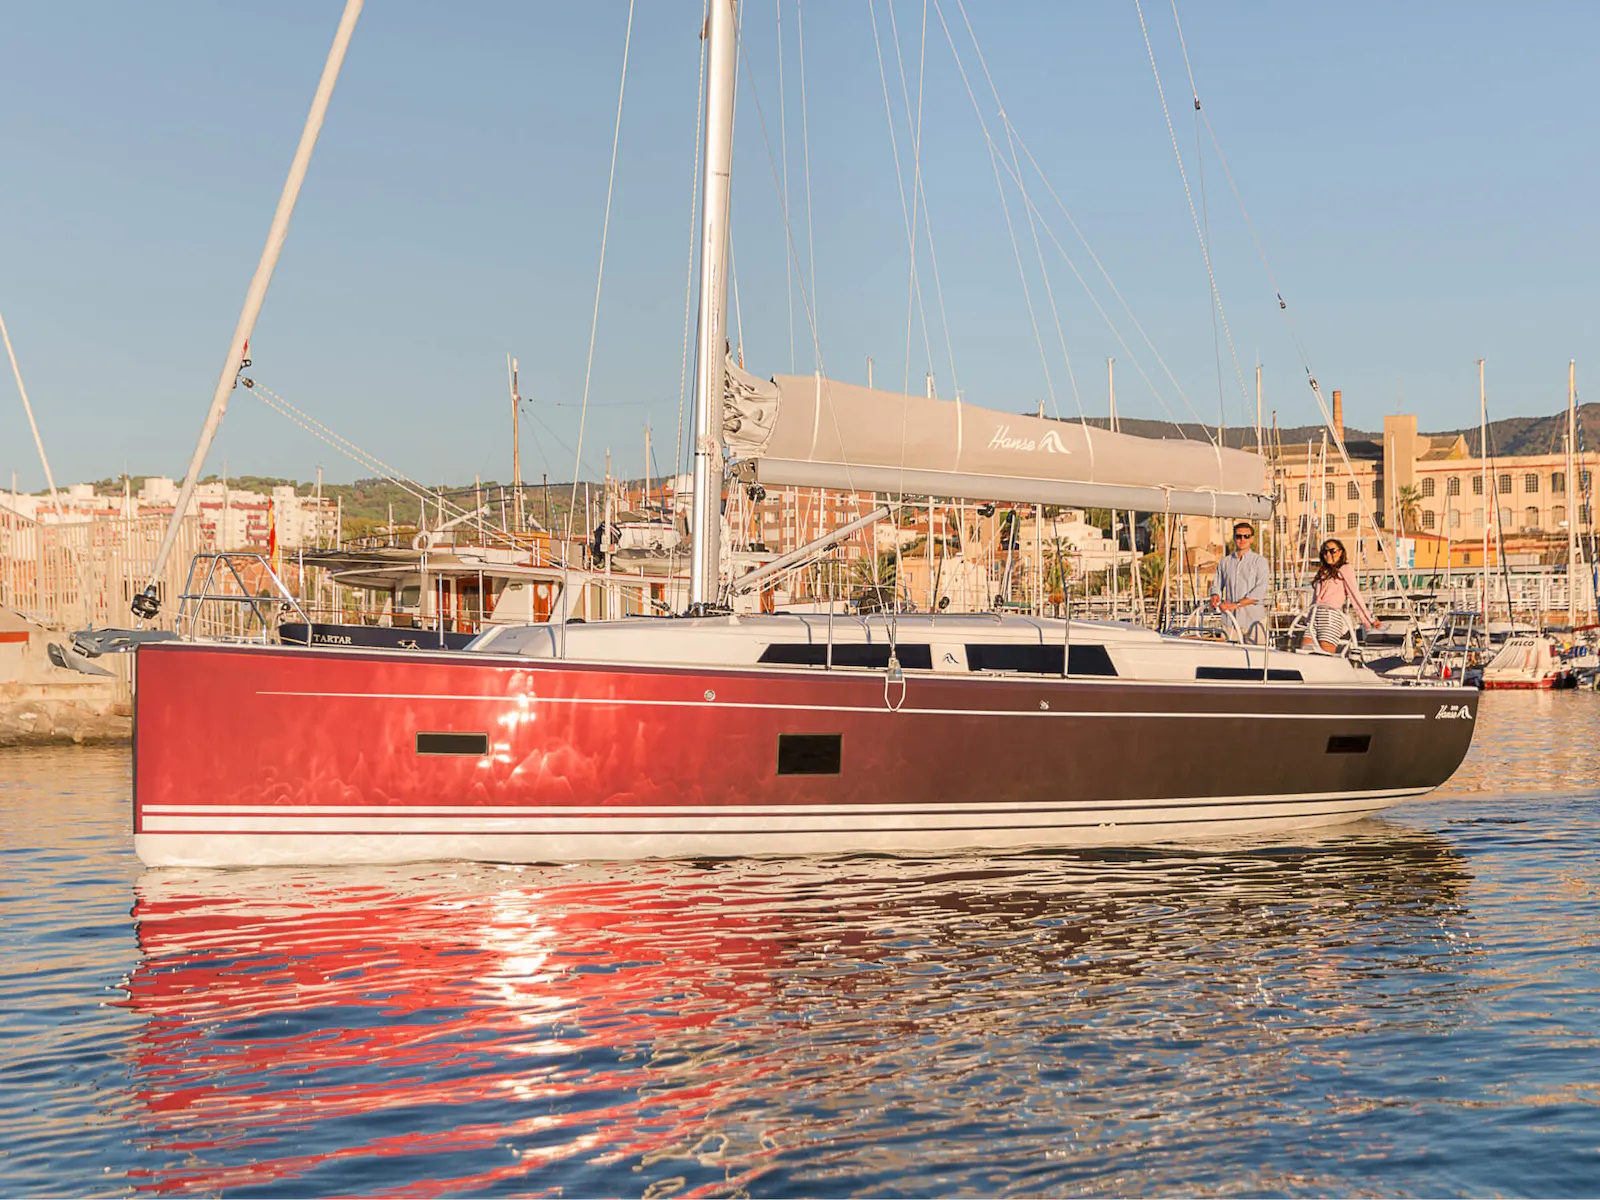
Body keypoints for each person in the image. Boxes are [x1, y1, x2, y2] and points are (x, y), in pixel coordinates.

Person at [1302, 537, 1376, 653]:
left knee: (1325, 654)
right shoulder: (1323, 572)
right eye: (1325, 552)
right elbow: (1316, 598)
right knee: (1305, 650)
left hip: (1331, 616)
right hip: (1315, 616)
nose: (1328, 554)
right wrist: (1308, 618)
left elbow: (1354, 595)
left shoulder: (1345, 569)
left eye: (1332, 551)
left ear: (1341, 552)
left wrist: (1368, 620)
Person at [1209, 521, 1269, 644]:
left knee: (1257, 655)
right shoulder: (1225, 562)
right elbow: (1217, 584)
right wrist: (1215, 596)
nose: (1242, 539)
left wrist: (1236, 604)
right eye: (1238, 536)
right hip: (1230, 622)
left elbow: (1260, 591)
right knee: (1228, 654)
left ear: (1252, 538)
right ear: (1234, 538)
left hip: (1254, 621)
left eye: (1246, 536)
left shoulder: (1260, 562)